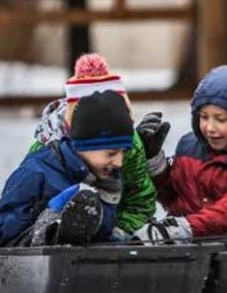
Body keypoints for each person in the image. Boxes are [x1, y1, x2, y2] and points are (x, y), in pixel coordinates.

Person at [0, 91, 135, 247]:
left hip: (83, 265)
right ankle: (51, 235)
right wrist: (45, 220)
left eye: (124, 152)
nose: (119, 162)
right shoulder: (38, 172)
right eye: (111, 153)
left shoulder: (108, 178)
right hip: (33, 261)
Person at [31, 53, 156, 239]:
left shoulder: (129, 146)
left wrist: (120, 230)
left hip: (113, 227)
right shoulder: (46, 148)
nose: (118, 160)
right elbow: (26, 203)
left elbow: (139, 199)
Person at [135, 65, 227, 242]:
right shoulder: (189, 147)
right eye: (203, 117)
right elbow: (171, 196)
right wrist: (153, 161)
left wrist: (180, 229)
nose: (210, 128)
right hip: (181, 250)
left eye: (220, 119)